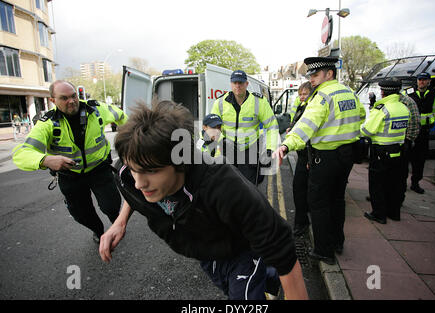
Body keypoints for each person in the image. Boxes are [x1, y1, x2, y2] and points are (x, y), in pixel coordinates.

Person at [99, 101, 309, 300]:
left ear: (180, 162)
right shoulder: (127, 174)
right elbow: (132, 192)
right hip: (207, 255)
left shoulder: (223, 186)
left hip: (242, 250)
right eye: (135, 170)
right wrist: (120, 222)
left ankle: (265, 269)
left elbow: (282, 248)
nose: (139, 183)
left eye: (151, 171)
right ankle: (269, 274)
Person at [273, 57, 365, 265]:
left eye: (315, 75)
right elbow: (360, 115)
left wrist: (287, 145)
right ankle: (337, 241)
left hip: (326, 157)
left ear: (329, 74)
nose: (311, 80)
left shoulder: (322, 96)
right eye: (310, 76)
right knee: (337, 199)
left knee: (319, 203)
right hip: (347, 154)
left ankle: (324, 250)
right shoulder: (348, 92)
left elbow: (306, 126)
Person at [12, 80, 127, 243]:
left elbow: (122, 116)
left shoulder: (95, 109)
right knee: (82, 214)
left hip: (99, 170)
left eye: (74, 96)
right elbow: (21, 154)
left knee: (112, 206)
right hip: (70, 177)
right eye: (64, 98)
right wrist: (45, 159)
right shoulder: (47, 124)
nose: (72, 101)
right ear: (53, 100)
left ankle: (116, 225)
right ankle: (98, 232)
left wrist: (131, 138)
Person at [210, 70, 279, 185]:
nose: (237, 86)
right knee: (227, 187)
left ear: (246, 84)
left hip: (250, 151)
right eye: (235, 82)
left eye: (241, 83)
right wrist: (223, 140)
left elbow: (272, 126)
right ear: (230, 83)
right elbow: (211, 127)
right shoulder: (220, 102)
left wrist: (270, 150)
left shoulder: (259, 102)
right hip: (227, 151)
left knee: (249, 189)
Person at [361, 80, 410, 224]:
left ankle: (379, 214)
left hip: (381, 152)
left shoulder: (382, 109)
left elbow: (368, 130)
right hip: (398, 150)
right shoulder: (403, 107)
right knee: (394, 183)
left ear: (383, 92)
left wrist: (360, 131)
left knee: (377, 184)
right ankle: (394, 213)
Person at [405, 72, 435, 194]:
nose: (421, 82)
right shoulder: (409, 93)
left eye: (424, 80)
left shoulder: (434, 94)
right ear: (417, 81)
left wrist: (429, 121)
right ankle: (402, 182)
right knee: (405, 157)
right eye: (420, 79)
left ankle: (415, 183)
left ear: (429, 81)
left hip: (424, 130)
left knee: (420, 159)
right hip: (410, 130)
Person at [285, 82, 313, 236]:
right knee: (301, 189)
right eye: (300, 94)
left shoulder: (310, 107)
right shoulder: (302, 106)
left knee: (300, 189)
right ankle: (301, 221)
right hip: (304, 154)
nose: (302, 97)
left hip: (308, 155)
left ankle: (301, 224)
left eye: (305, 94)